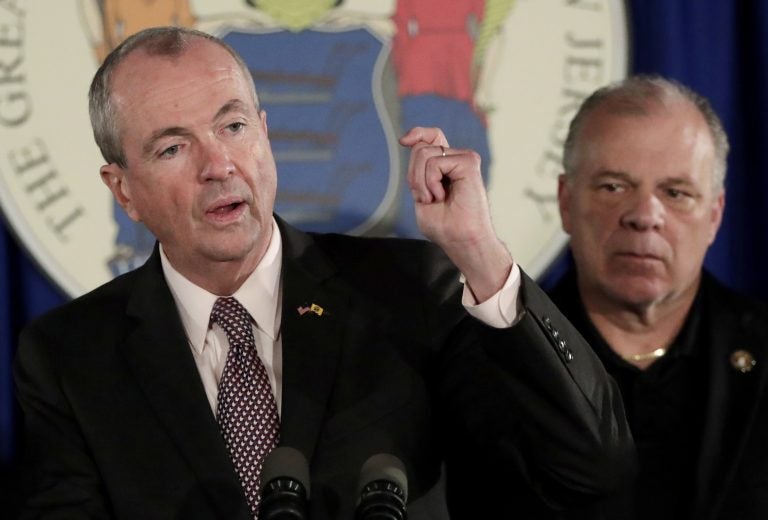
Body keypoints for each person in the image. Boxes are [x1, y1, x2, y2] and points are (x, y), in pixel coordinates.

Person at [13, 27, 633, 519]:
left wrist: (481, 254)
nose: (219, 164)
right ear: (123, 190)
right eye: (173, 147)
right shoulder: (71, 357)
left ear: (265, 133)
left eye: (232, 126)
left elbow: (589, 470)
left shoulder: (409, 295)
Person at [548, 75, 768, 519]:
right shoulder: (495, 364)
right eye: (613, 186)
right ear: (566, 202)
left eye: (676, 193)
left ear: (714, 216)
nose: (645, 216)